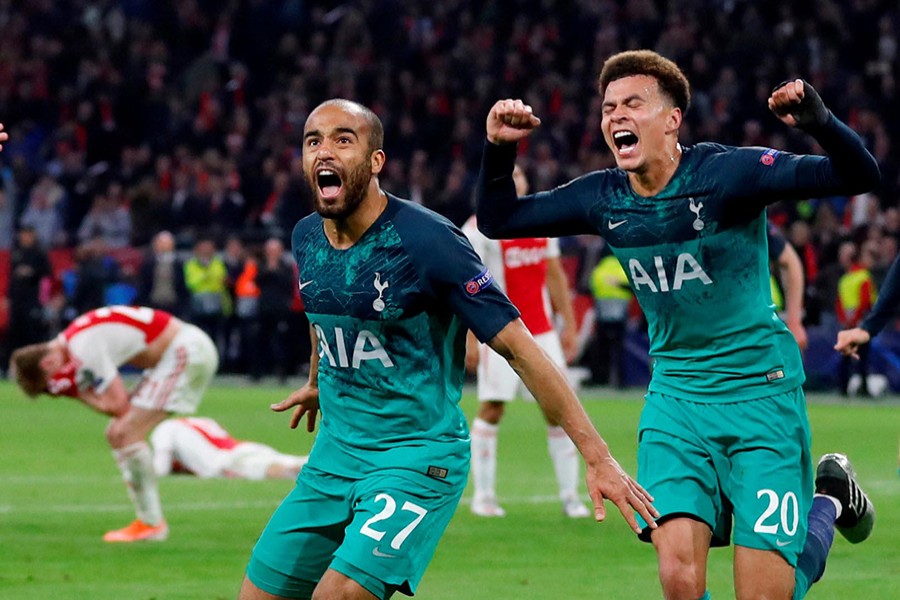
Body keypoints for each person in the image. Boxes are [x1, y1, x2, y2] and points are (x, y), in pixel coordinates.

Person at [476, 50, 878, 600]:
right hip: (676, 400)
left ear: (672, 119)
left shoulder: (726, 176)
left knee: (764, 594)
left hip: (760, 395)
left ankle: (829, 498)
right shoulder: (603, 197)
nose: (616, 115)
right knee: (678, 580)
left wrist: (818, 122)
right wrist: (499, 149)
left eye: (633, 103)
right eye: (608, 107)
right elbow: (499, 219)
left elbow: (859, 175)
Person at [238, 99, 657, 600]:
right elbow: (322, 311)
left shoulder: (429, 241)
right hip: (333, 457)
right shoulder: (307, 235)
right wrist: (316, 380)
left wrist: (599, 456)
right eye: (313, 141)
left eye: (342, 139)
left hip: (416, 458)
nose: (324, 151)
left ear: (375, 162)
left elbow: (521, 350)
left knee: (340, 594)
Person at [9, 305, 219, 542]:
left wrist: (78, 394)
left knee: (124, 433)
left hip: (184, 352)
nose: (54, 388)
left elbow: (119, 405)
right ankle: (149, 523)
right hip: (179, 351)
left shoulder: (82, 348)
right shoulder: (77, 338)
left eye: (48, 386)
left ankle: (151, 524)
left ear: (47, 364)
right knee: (118, 433)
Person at [462, 165, 588, 519]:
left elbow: (554, 274)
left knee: (559, 410)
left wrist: (570, 325)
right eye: (507, 175)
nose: (513, 180)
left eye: (518, 175)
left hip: (543, 331)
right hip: (500, 332)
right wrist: (471, 337)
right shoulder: (476, 230)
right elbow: (465, 286)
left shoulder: (539, 220)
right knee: (492, 408)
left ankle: (570, 497)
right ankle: (483, 496)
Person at [150, 416, 307, 480]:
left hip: (227, 461)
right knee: (298, 461)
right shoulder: (192, 421)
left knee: (277, 470)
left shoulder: (162, 430)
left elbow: (160, 469)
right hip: (245, 447)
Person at [835, 240, 878, 396]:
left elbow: (839, 303)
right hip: (860, 324)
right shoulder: (863, 276)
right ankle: (863, 388)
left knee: (845, 356)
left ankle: (843, 388)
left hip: (847, 324)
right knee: (862, 357)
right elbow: (865, 301)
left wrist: (845, 321)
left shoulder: (845, 279)